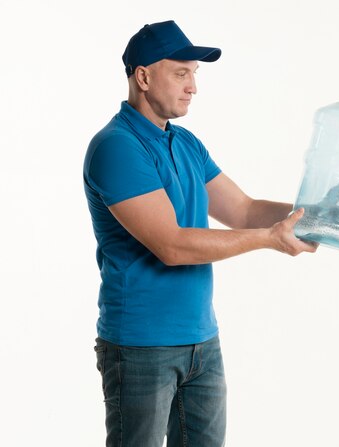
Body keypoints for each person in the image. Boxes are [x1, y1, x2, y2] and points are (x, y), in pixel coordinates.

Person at [83, 20, 317, 447]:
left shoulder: (186, 143)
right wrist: (270, 239)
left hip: (201, 341)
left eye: (195, 74)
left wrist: (316, 215)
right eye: (181, 73)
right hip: (140, 347)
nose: (193, 87)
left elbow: (244, 210)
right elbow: (171, 245)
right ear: (143, 76)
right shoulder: (117, 147)